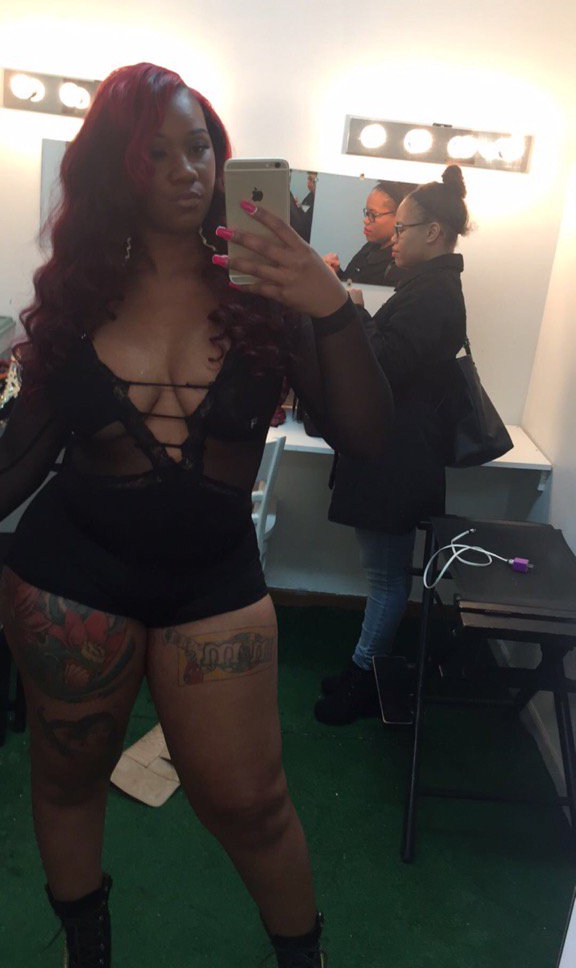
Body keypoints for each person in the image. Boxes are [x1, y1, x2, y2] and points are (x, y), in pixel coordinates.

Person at [0, 62, 394, 968]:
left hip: (213, 584)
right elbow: (16, 465)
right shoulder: (78, 298)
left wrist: (331, 307)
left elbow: (367, 439)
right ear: (115, 168)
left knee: (252, 803)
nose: (187, 169)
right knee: (67, 782)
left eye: (200, 147)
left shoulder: (269, 297)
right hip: (70, 579)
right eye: (156, 153)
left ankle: (302, 957)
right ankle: (87, 951)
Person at [315, 165, 469, 727]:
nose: (393, 238)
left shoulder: (434, 295)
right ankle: (364, 668)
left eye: (400, 228)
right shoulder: (426, 288)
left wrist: (353, 310)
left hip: (399, 458)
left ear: (433, 232)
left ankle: (364, 678)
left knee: (384, 578)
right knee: (382, 574)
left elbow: (384, 363)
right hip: (396, 451)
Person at [323, 180, 410, 286]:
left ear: (398, 216)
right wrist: (336, 273)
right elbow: (352, 284)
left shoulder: (398, 264)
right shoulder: (371, 247)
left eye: (373, 215)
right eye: (367, 213)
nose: (365, 220)